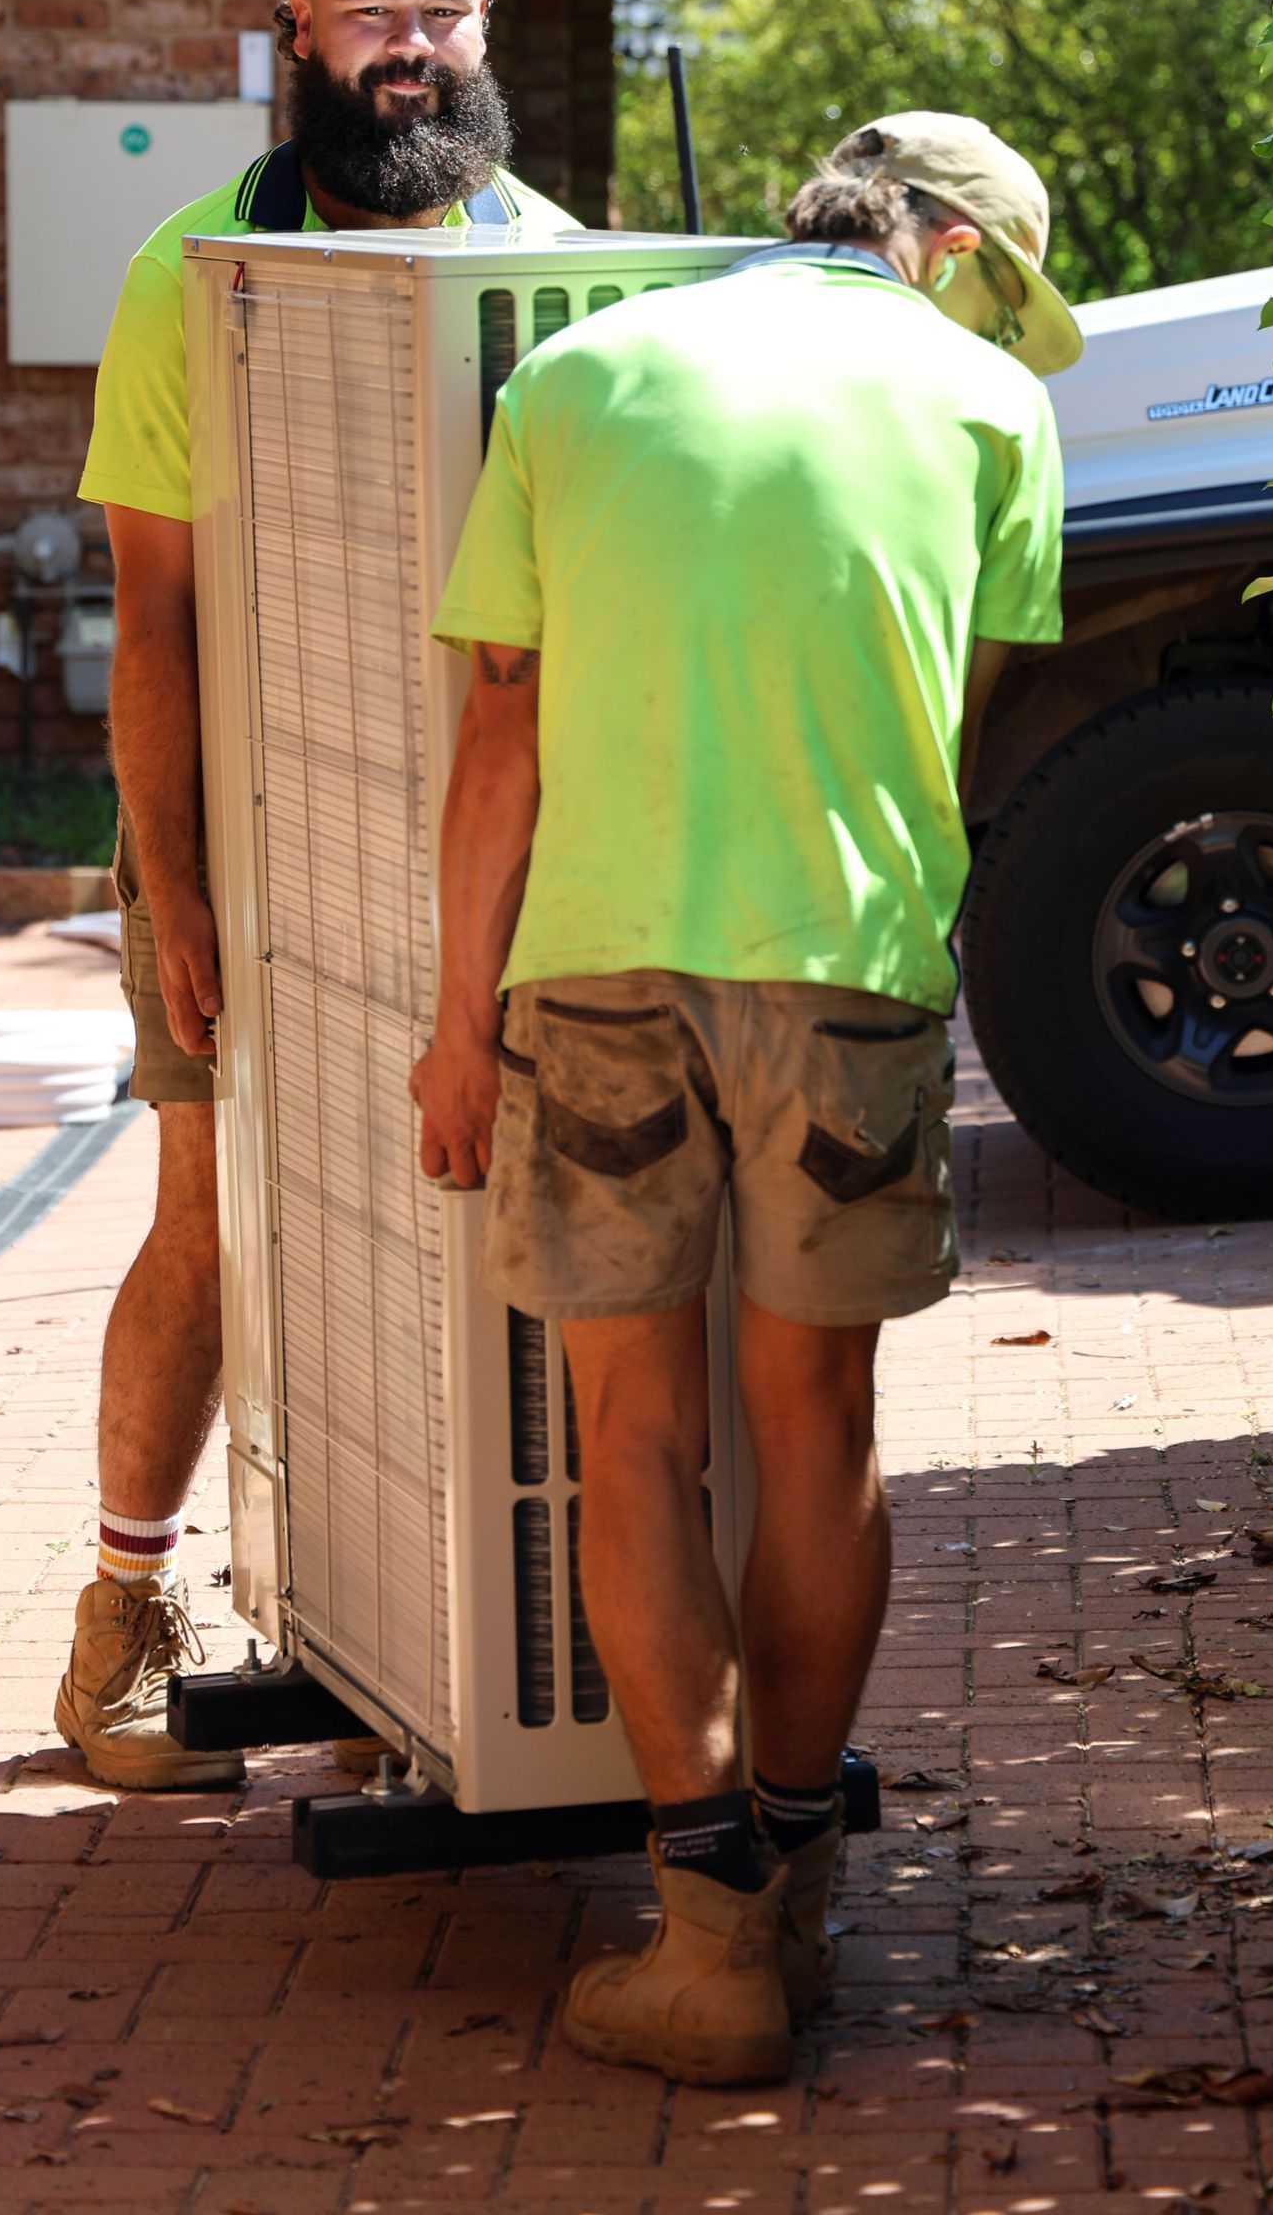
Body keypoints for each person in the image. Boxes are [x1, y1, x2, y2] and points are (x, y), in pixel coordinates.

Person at [411, 112, 1079, 2083]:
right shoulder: (983, 408)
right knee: (821, 1427)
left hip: (597, 963)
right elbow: (950, 711)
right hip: (846, 964)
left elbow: (505, 732)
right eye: (1004, 282)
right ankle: (796, 1901)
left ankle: (699, 1936)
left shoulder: (577, 374)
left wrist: (462, 1028)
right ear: (945, 245)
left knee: (634, 1437)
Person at [56, 0, 577, 1789]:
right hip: (239, 833)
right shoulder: (195, 275)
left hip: (468, 831)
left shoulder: (546, 264)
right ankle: (123, 1610)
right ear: (296, 26)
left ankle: (408, 1652)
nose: (411, 50)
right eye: (373, 11)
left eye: (442, 14)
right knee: (212, 1220)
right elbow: (157, 614)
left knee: (440, 1230)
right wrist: (175, 881)